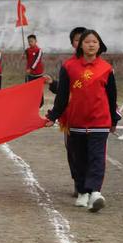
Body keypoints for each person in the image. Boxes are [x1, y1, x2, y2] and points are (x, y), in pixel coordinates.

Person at [45, 29, 120, 213]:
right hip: (76, 121)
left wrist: (113, 120)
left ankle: (95, 192)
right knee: (78, 158)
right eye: (87, 42)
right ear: (79, 45)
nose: (91, 45)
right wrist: (53, 116)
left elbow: (111, 96)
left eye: (95, 41)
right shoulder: (69, 67)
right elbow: (62, 96)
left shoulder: (106, 69)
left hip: (99, 121)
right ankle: (82, 191)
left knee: (97, 157)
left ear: (99, 45)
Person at [44, 26, 86, 198]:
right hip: (71, 118)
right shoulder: (69, 65)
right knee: (73, 151)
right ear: (73, 44)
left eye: (86, 38)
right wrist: (53, 83)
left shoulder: (101, 67)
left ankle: (92, 185)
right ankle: (79, 182)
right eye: (77, 39)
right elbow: (64, 92)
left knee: (93, 152)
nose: (82, 42)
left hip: (94, 117)